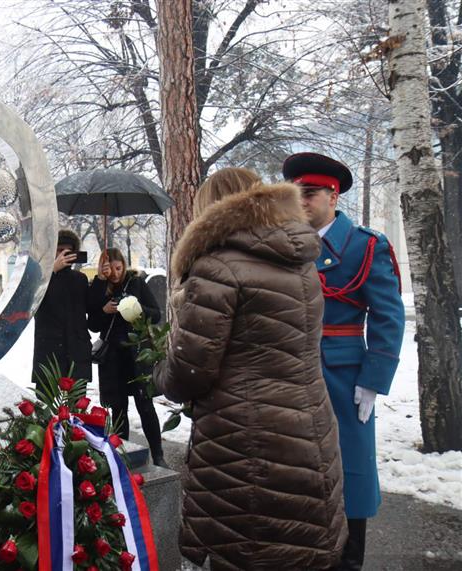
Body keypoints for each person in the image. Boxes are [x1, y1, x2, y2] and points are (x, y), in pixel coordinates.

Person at [157, 167, 347, 570]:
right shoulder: (301, 261)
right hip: (308, 427)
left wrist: (161, 367)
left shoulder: (218, 268)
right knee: (297, 545)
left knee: (247, 549)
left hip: (244, 441)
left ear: (212, 211)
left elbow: (190, 373)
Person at [284, 152, 406, 571]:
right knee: (297, 467)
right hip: (292, 373)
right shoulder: (286, 244)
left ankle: (349, 560)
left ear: (333, 196)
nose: (301, 200)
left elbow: (388, 315)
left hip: (344, 373)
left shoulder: (365, 245)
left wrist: (374, 377)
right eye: (296, 192)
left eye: (311, 193)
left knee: (351, 468)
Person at [88, 247, 166, 467]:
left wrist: (136, 308)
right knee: (119, 408)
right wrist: (105, 311)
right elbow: (92, 324)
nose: (114, 273)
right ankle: (124, 457)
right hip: (113, 357)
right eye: (109, 269)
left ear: (124, 265)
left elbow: (156, 313)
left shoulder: (136, 283)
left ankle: (158, 455)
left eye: (118, 268)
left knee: (145, 404)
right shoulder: (100, 288)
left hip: (138, 354)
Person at [32, 229, 92, 388]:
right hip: (48, 351)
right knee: (46, 406)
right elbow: (34, 303)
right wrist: (52, 270)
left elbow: (92, 311)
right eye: (59, 250)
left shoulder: (80, 279)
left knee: (77, 407)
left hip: (76, 351)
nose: (64, 254)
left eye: (68, 251)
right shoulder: (40, 278)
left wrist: (100, 283)